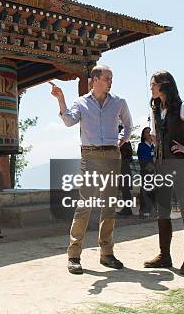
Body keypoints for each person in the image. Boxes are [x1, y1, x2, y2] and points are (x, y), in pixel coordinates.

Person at [51, 64, 132, 274]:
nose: (110, 81)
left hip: (113, 155)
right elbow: (69, 121)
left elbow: (129, 125)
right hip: (90, 155)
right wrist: (61, 98)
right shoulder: (81, 103)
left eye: (111, 78)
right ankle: (74, 255)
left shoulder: (119, 102)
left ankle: (106, 254)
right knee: (84, 205)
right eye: (107, 77)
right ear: (95, 79)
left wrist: (122, 140)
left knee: (109, 205)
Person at [143, 70, 184, 275]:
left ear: (164, 85)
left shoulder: (183, 107)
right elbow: (153, 136)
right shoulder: (155, 109)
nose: (150, 87)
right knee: (162, 211)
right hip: (161, 167)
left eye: (153, 84)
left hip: (179, 166)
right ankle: (164, 256)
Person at [137, 127, 156, 218]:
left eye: (150, 132)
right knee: (145, 191)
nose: (149, 133)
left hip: (156, 173)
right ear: (143, 135)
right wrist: (152, 168)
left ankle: (153, 211)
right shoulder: (141, 145)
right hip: (146, 172)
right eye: (147, 132)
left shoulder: (155, 145)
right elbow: (143, 160)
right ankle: (143, 211)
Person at [117, 125, 134, 216]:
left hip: (121, 166)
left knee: (124, 189)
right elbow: (130, 155)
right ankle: (127, 208)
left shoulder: (117, 140)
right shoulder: (126, 140)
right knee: (125, 189)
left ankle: (127, 209)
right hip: (124, 166)